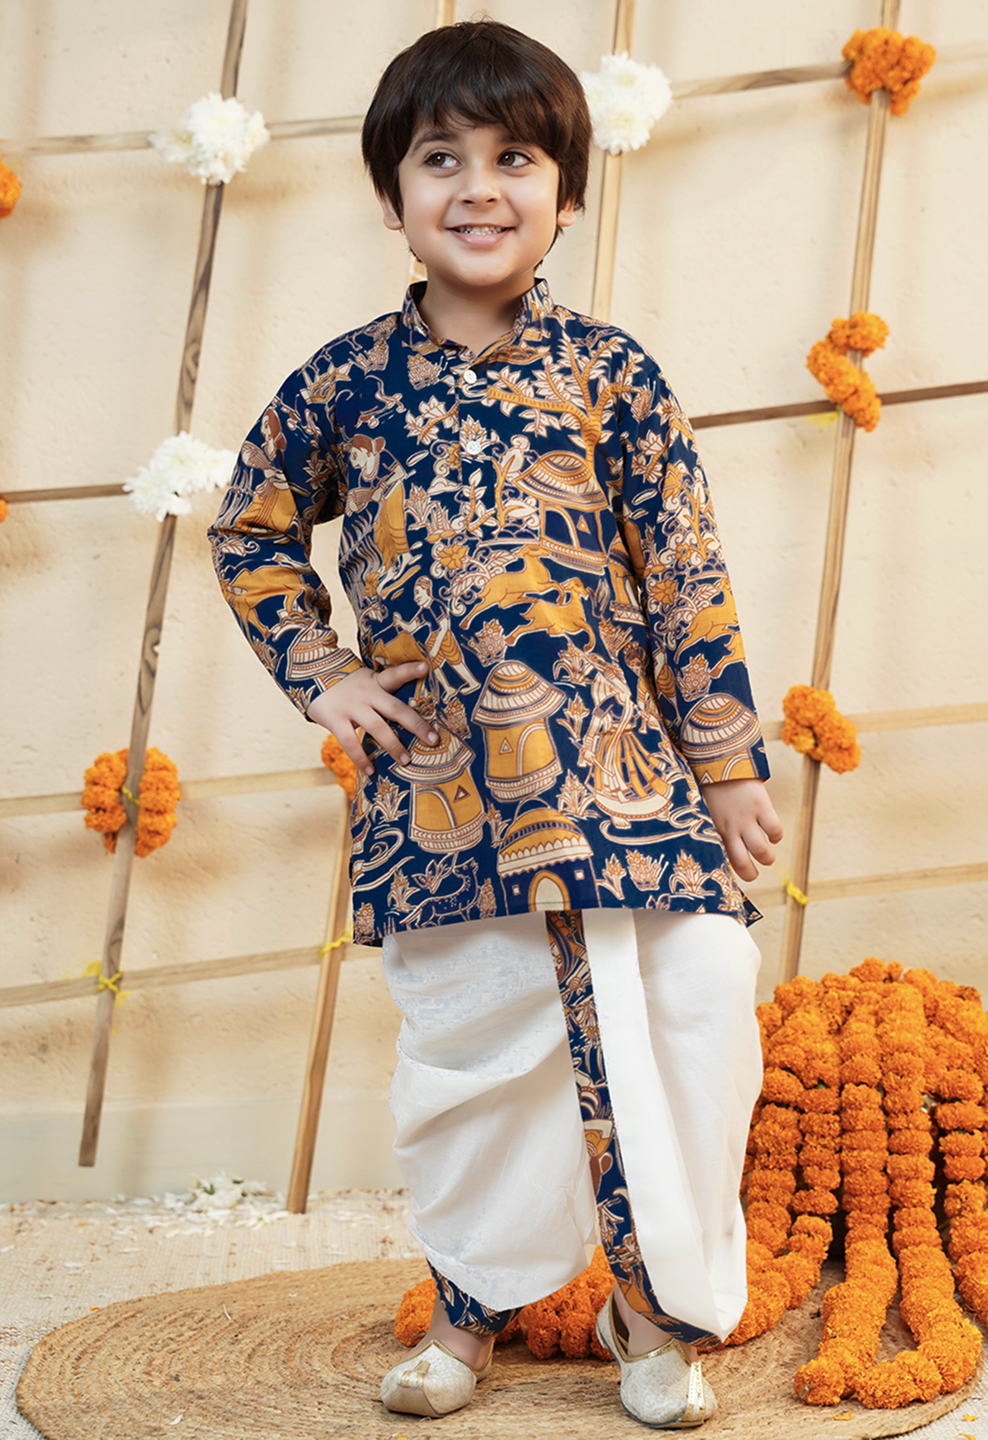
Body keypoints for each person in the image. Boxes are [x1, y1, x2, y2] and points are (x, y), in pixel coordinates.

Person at [208, 20, 783, 1430]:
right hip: (443, 798)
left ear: (566, 192)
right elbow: (250, 529)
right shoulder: (343, 385)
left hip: (624, 782)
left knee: (698, 1000)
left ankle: (654, 1317)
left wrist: (725, 766)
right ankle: (469, 1312)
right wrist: (323, 676)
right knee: (473, 1050)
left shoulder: (615, 375)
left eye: (516, 158)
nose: (479, 187)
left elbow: (685, 573)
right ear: (391, 196)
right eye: (440, 158)